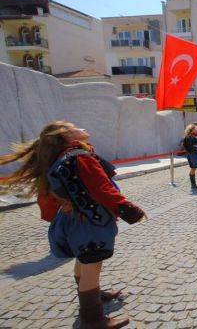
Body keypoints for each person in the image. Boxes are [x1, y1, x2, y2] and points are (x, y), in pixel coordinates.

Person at [0, 121, 146, 328]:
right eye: (74, 126)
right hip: (90, 221)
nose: (82, 128)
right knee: (92, 264)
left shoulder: (63, 156)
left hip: (77, 220)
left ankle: (93, 294)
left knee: (84, 261)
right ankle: (93, 320)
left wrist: (60, 209)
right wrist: (130, 210)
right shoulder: (78, 156)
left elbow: (50, 193)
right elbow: (102, 188)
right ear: (67, 136)